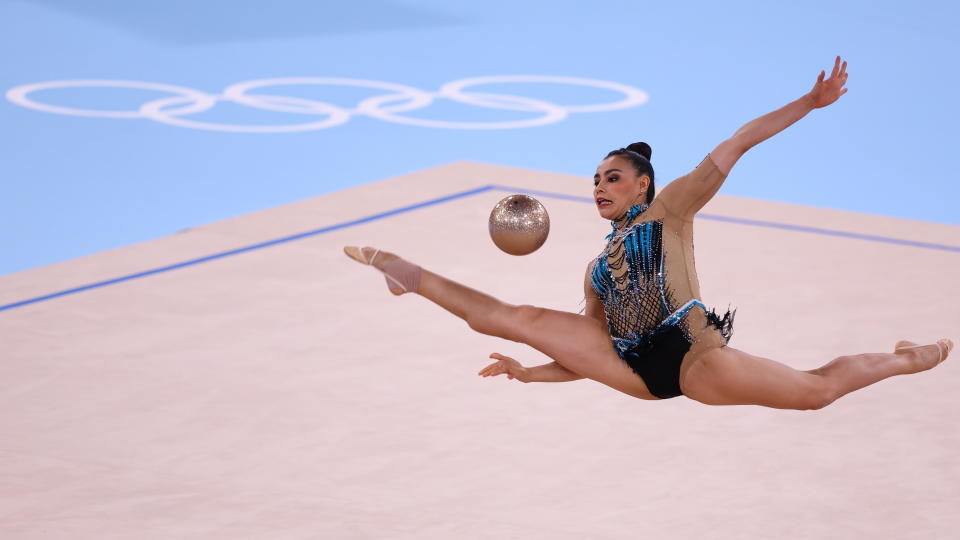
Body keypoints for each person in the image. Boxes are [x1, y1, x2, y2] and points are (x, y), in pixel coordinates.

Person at [343, 56, 953, 410]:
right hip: (634, 370)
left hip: (691, 360)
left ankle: (908, 359)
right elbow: (586, 351)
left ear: (643, 185)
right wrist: (527, 373)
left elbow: (738, 142)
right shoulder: (595, 269)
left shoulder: (673, 209)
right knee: (513, 318)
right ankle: (408, 274)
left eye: (612, 178)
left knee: (817, 392)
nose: (599, 188)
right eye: (594, 181)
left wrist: (809, 101)